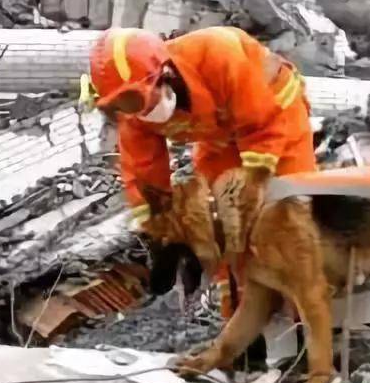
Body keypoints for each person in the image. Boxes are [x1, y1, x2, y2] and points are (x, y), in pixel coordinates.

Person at [83, 26, 317, 316]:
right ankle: (244, 322)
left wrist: (254, 184)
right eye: (120, 106)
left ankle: (308, 321)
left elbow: (262, 125)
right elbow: (143, 175)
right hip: (218, 136)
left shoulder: (219, 54)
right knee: (220, 229)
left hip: (274, 116)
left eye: (134, 101)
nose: (136, 114)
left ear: (163, 73)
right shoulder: (134, 115)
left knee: (288, 215)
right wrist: (162, 235)